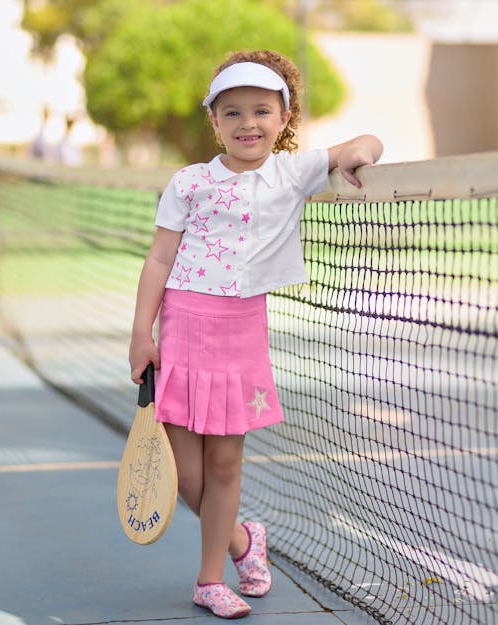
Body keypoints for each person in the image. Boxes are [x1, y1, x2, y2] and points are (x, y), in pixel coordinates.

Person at [129, 49, 383, 619]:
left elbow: (364, 141)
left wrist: (362, 154)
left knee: (224, 468)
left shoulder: (293, 172)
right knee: (186, 475)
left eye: (262, 111)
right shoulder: (189, 182)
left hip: (242, 335)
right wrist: (140, 333)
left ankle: (210, 579)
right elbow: (158, 260)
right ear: (214, 121)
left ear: (284, 118)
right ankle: (245, 541)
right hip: (183, 333)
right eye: (233, 112)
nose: (249, 123)